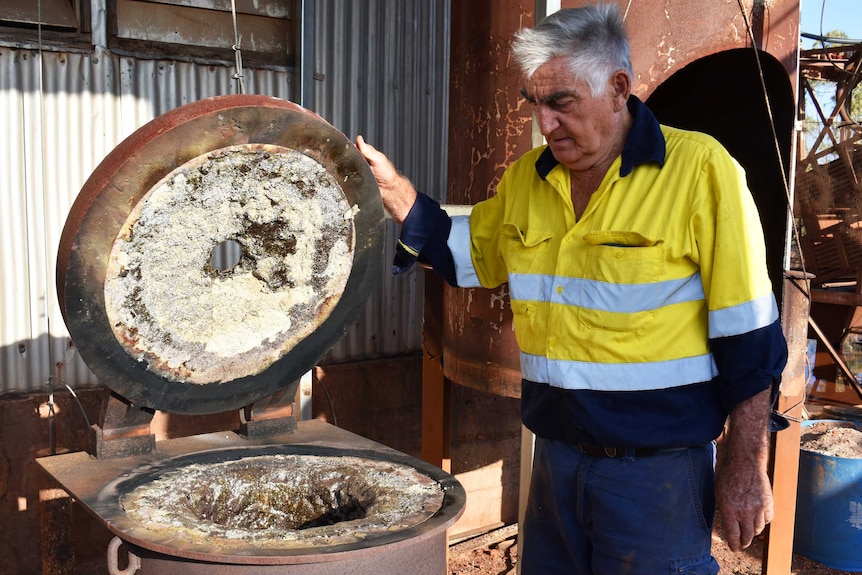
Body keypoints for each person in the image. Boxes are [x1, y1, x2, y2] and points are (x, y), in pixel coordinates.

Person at [356, 3, 788, 574]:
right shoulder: (527, 180)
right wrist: (395, 193)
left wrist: (744, 459)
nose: (545, 123)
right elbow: (465, 256)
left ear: (617, 88)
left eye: (561, 102)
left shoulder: (701, 172)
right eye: (534, 102)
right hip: (555, 463)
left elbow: (750, 334)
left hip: (655, 476)